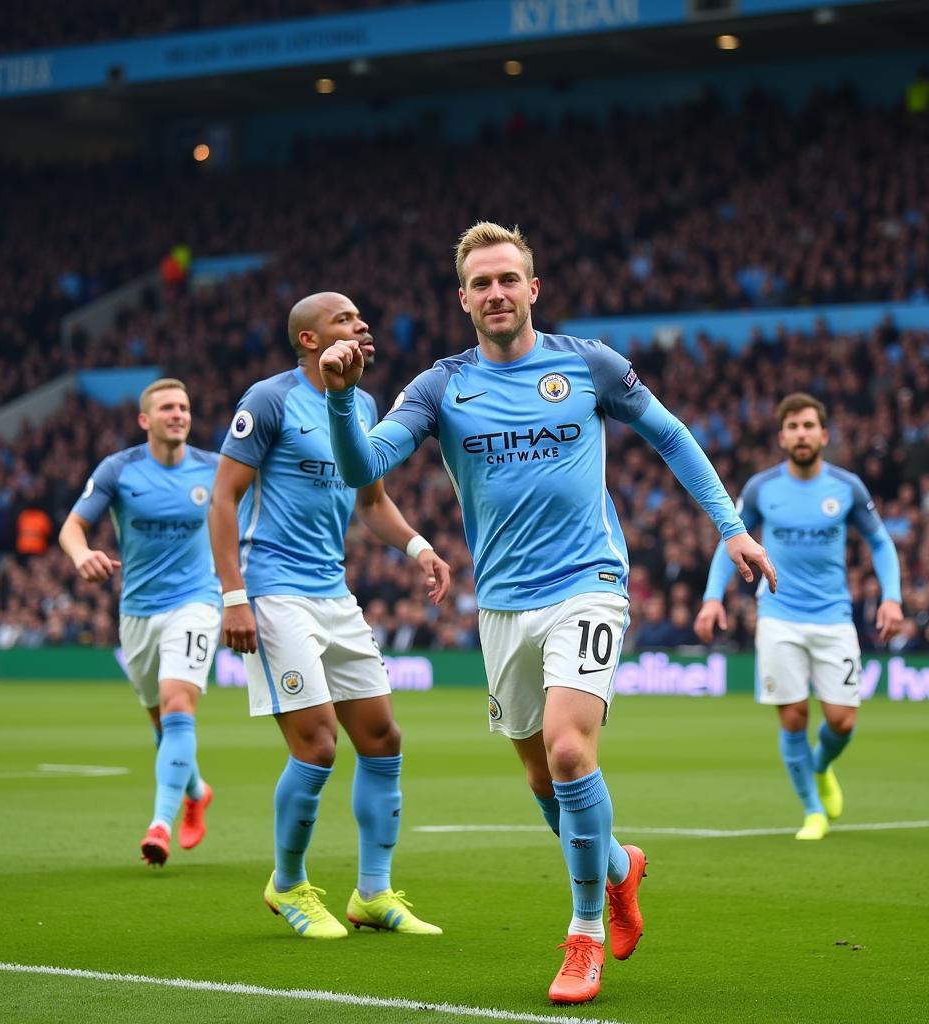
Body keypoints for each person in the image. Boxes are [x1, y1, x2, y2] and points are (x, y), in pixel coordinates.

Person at [319, 223, 775, 1005]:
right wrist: (337, 400)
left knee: (568, 751)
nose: (496, 293)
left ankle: (585, 934)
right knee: (538, 771)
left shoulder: (587, 364)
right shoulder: (438, 387)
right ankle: (619, 869)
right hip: (501, 603)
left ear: (534, 288)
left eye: (508, 279)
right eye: (481, 283)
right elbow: (365, 467)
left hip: (589, 583)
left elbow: (670, 435)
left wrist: (730, 526)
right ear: (462, 299)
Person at [209, 291, 450, 941]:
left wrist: (419, 546)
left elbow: (370, 499)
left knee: (382, 739)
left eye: (361, 316)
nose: (362, 323)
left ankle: (372, 894)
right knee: (317, 746)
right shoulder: (269, 399)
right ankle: (286, 884)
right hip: (273, 590)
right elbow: (224, 500)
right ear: (309, 341)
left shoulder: (362, 404)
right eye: (344, 319)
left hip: (333, 594)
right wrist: (233, 596)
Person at [695, 392, 903, 840]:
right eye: (793, 427)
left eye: (809, 426)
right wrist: (713, 597)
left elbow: (881, 542)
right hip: (779, 615)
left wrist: (892, 597)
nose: (801, 434)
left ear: (824, 435)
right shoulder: (760, 488)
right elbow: (730, 539)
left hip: (834, 616)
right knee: (793, 717)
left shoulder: (846, 488)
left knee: (842, 721)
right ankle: (812, 811)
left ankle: (821, 767)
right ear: (781, 436)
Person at [59, 378, 219, 867]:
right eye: (167, 407)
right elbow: (73, 526)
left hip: (197, 601)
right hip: (137, 612)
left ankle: (159, 825)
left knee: (176, 706)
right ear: (145, 420)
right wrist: (82, 554)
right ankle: (196, 790)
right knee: (161, 723)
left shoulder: (214, 470)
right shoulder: (120, 469)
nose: (178, 414)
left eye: (185, 407)